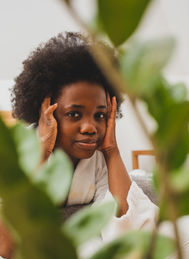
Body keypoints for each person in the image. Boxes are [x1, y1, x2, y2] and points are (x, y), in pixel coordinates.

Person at [11, 31, 132, 218]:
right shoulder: (18, 150)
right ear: (47, 112)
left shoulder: (99, 158)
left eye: (100, 115)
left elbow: (125, 219)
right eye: (74, 114)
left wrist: (112, 150)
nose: (90, 128)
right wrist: (43, 149)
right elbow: (15, 216)